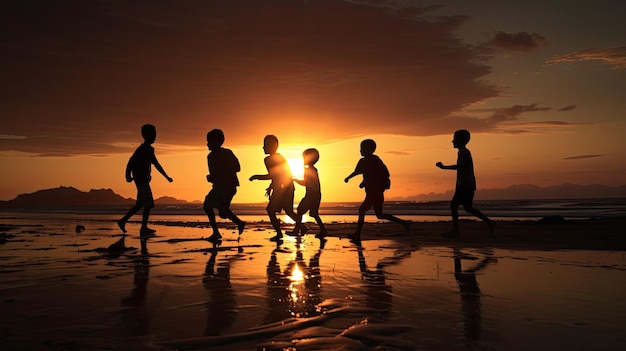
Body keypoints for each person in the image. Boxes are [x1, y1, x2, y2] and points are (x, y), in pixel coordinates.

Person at [344, 139, 410, 242]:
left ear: (369, 149)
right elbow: (358, 172)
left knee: (362, 210)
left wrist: (364, 182)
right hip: (375, 192)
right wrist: (349, 178)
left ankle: (357, 234)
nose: (360, 150)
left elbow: (377, 174)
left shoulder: (373, 161)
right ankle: (404, 223)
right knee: (379, 214)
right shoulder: (368, 161)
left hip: (374, 192)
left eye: (363, 148)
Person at [436, 129, 495, 238]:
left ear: (460, 140)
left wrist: (444, 167)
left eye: (454, 139)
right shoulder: (464, 152)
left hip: (465, 185)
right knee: (467, 208)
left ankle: (456, 231)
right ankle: (489, 222)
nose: (452, 141)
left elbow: (460, 167)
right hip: (467, 184)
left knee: (454, 206)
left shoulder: (463, 152)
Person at [118, 124, 173, 236]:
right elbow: (131, 162)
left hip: (144, 180)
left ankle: (123, 221)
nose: (154, 137)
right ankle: (143, 228)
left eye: (155, 135)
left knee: (140, 204)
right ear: (145, 135)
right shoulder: (142, 149)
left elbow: (157, 164)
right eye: (152, 135)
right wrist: (127, 175)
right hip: (140, 180)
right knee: (148, 203)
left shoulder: (150, 150)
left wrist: (166, 177)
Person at [249, 135, 298, 241]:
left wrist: (256, 177)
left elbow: (271, 175)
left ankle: (280, 233)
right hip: (287, 187)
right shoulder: (280, 157)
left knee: (271, 210)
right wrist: (271, 187)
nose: (263, 147)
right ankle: (301, 227)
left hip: (283, 188)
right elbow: (278, 175)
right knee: (288, 211)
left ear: (272, 146)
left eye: (265, 145)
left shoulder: (269, 159)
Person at [203, 129, 246, 242]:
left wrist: (222, 172)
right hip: (218, 187)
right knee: (207, 205)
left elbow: (237, 167)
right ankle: (216, 232)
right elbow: (214, 174)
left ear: (218, 141)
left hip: (229, 186)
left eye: (210, 141)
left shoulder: (227, 153)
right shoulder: (210, 157)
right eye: (207, 141)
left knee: (223, 212)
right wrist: (211, 178)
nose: (208, 144)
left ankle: (239, 223)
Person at [291, 148, 327, 238]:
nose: (303, 160)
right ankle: (323, 230)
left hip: (311, 195)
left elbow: (305, 183)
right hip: (315, 194)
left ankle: (297, 230)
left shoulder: (310, 170)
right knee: (314, 214)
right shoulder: (313, 169)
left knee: (300, 211)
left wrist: (295, 180)